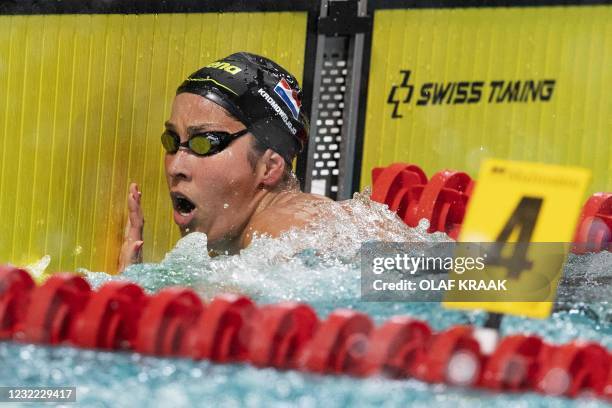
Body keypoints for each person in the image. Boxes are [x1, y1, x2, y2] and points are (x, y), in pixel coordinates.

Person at [118, 52, 333, 272]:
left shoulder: (277, 229)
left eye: (206, 143)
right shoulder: (314, 223)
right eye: (171, 141)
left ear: (269, 167)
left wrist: (132, 293)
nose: (175, 168)